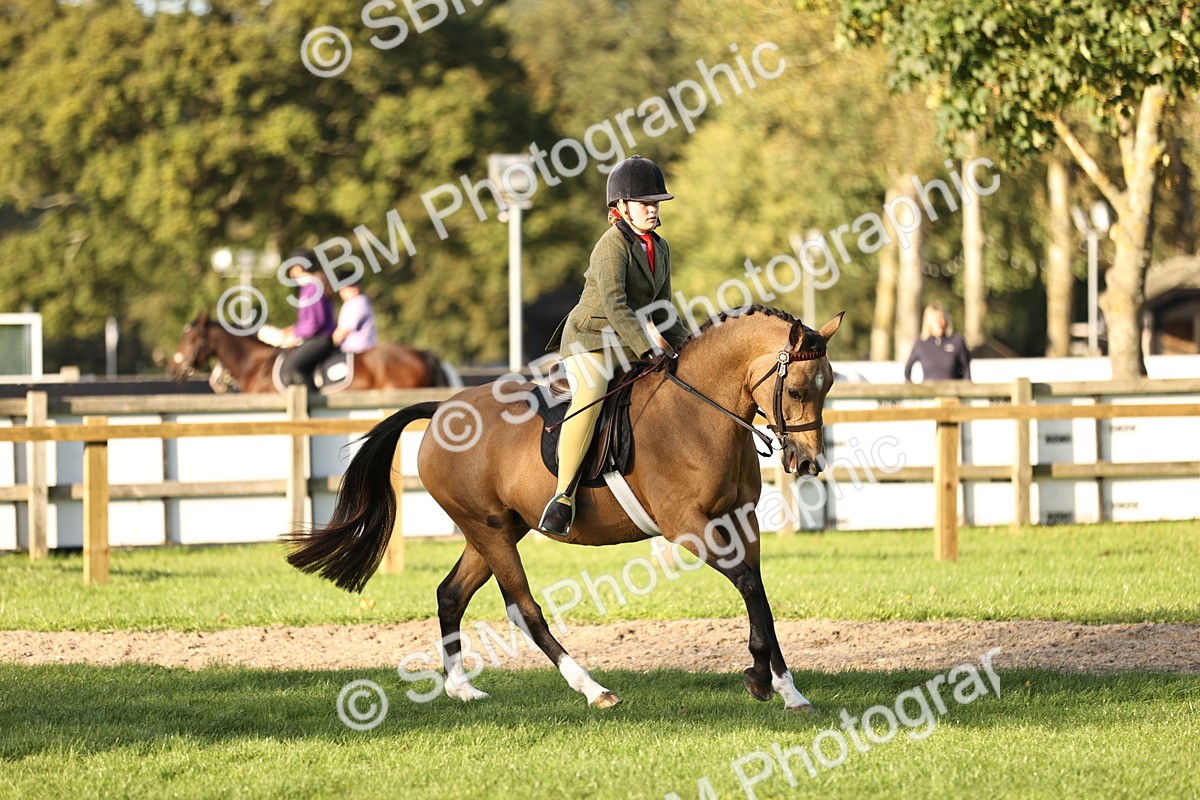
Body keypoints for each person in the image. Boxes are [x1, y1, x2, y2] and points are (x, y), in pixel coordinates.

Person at [538, 155, 689, 536]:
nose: (653, 209)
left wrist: (688, 348)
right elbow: (615, 304)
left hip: (626, 341)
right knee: (590, 400)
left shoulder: (661, 247)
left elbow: (663, 307)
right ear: (620, 207)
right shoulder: (611, 245)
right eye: (644, 203)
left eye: (656, 203)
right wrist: (647, 348)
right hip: (590, 340)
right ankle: (562, 498)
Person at [280, 250, 335, 391]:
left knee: (294, 367)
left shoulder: (313, 287)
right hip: (315, 337)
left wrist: (295, 334)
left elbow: (314, 324)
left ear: (298, 268)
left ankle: (313, 405)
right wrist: (294, 329)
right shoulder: (310, 287)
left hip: (320, 339)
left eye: (292, 268)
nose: (291, 273)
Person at [904, 302, 972, 382]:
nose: (941, 323)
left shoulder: (957, 341)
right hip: (929, 392)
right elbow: (907, 371)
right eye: (937, 321)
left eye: (942, 319)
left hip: (953, 392)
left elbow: (967, 370)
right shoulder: (921, 344)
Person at [332, 280, 377, 354]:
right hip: (352, 350)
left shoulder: (358, 302)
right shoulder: (351, 303)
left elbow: (344, 330)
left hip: (358, 351)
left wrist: (331, 342)